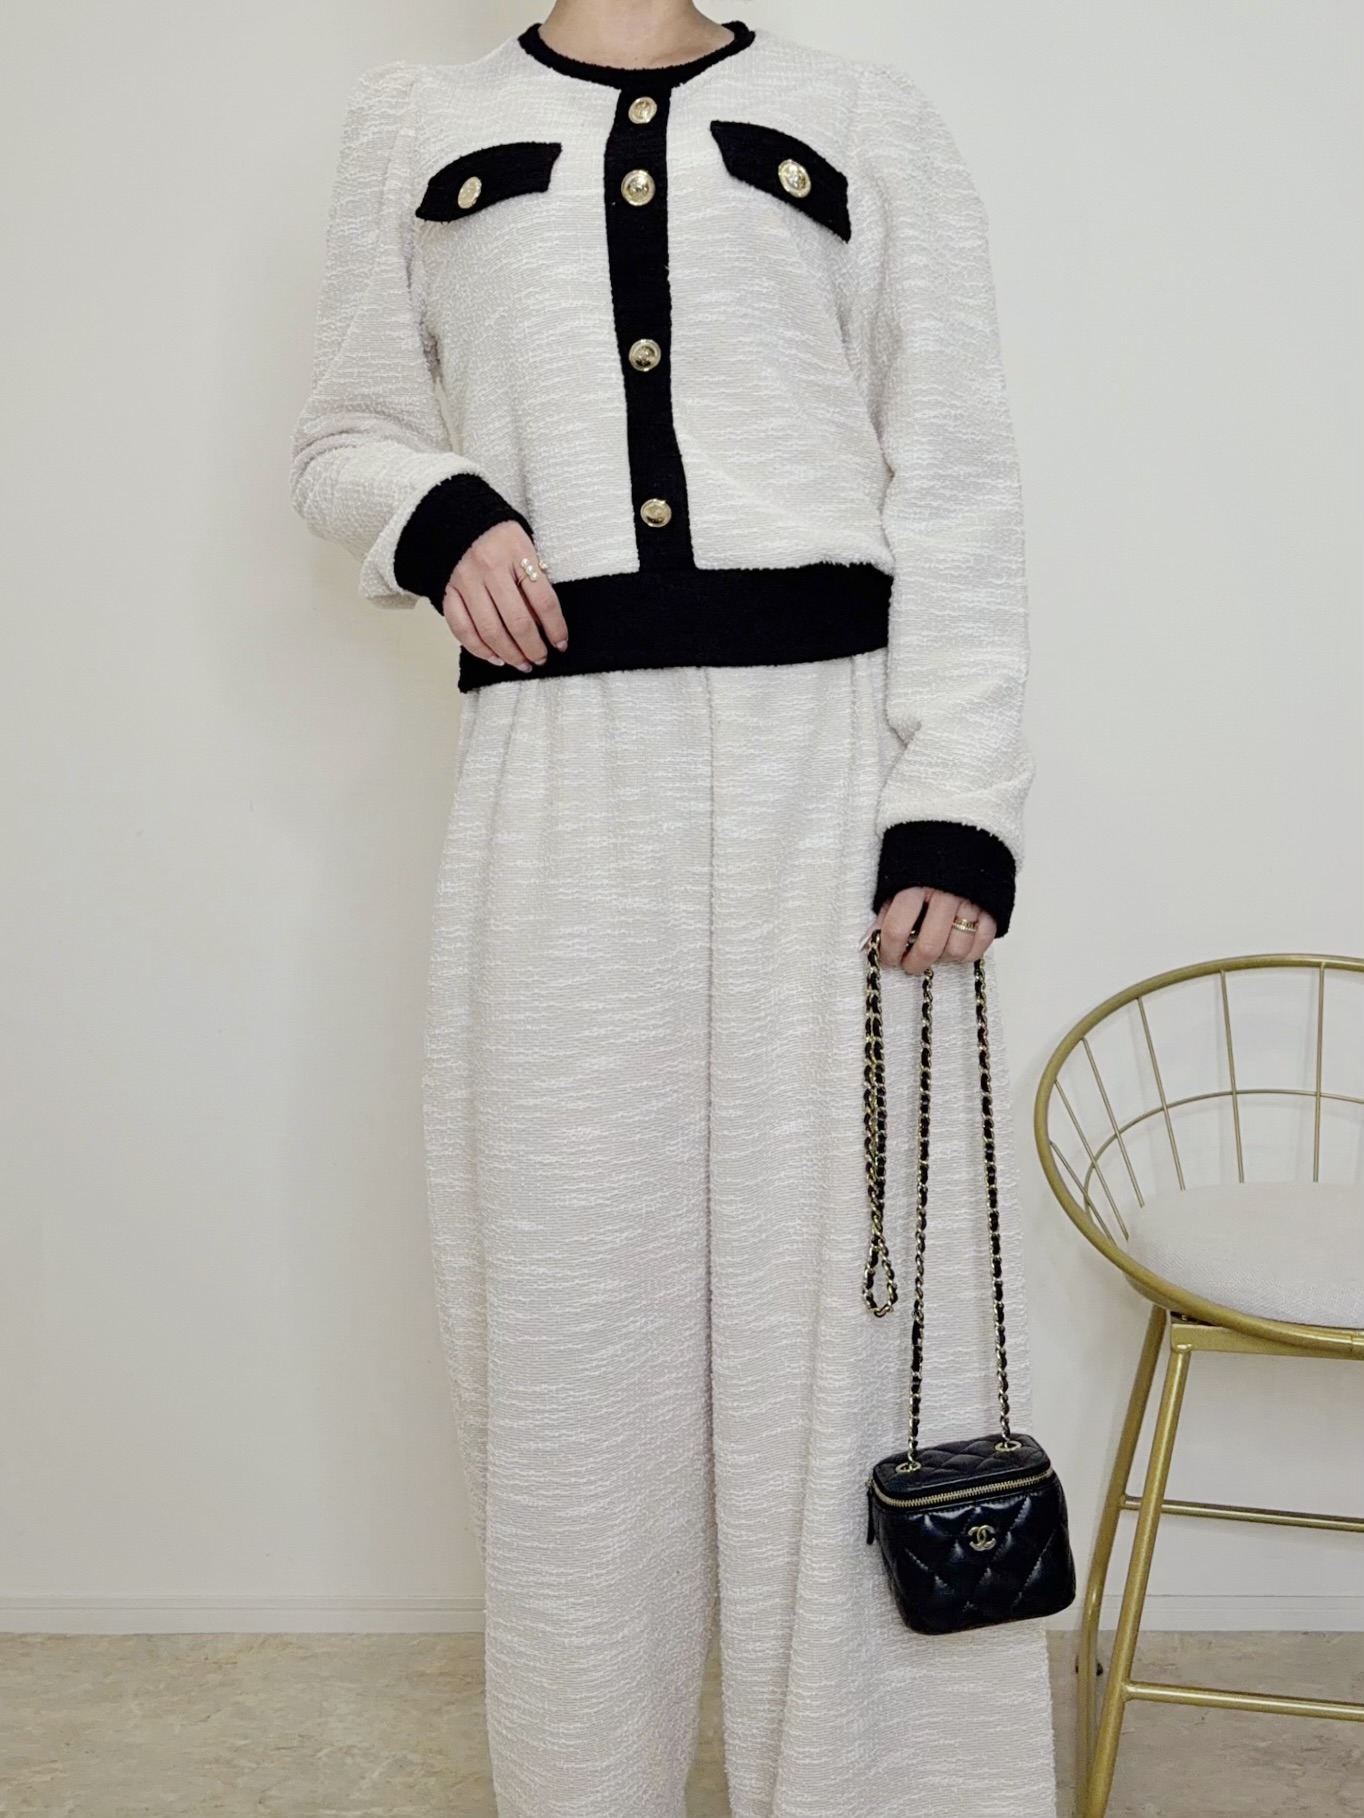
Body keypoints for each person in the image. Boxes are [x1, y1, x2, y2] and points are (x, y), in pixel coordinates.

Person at [289, 5, 1057, 1814]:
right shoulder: (415, 123)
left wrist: (959, 800)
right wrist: (437, 510)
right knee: (574, 1338)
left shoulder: (862, 115)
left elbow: (956, 473)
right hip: (560, 777)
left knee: (857, 1341)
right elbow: (341, 435)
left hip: (833, 780)